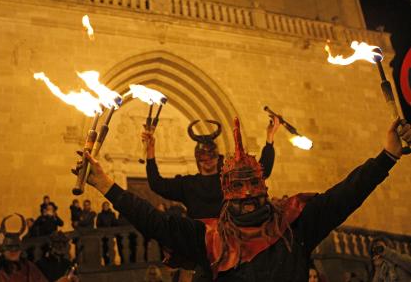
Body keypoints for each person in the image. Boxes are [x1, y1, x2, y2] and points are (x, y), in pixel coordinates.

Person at [75, 117, 411, 281]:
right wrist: (106, 184)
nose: (249, 200)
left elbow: (347, 193)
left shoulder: (295, 224)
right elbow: (154, 220)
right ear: (227, 195)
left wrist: (388, 155)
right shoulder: (206, 240)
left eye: (254, 192)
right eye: (241, 195)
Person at [142, 118, 279, 219]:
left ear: (217, 157)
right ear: (197, 159)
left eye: (211, 155)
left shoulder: (230, 179)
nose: (207, 160)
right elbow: (156, 184)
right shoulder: (187, 184)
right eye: (203, 156)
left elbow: (262, 171)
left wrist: (269, 138)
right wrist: (150, 150)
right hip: (200, 241)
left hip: (229, 238)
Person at [0, 214, 48, 282]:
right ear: (3, 250)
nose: (13, 251)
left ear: (20, 250)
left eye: (16, 248)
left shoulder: (29, 267)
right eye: (9, 248)